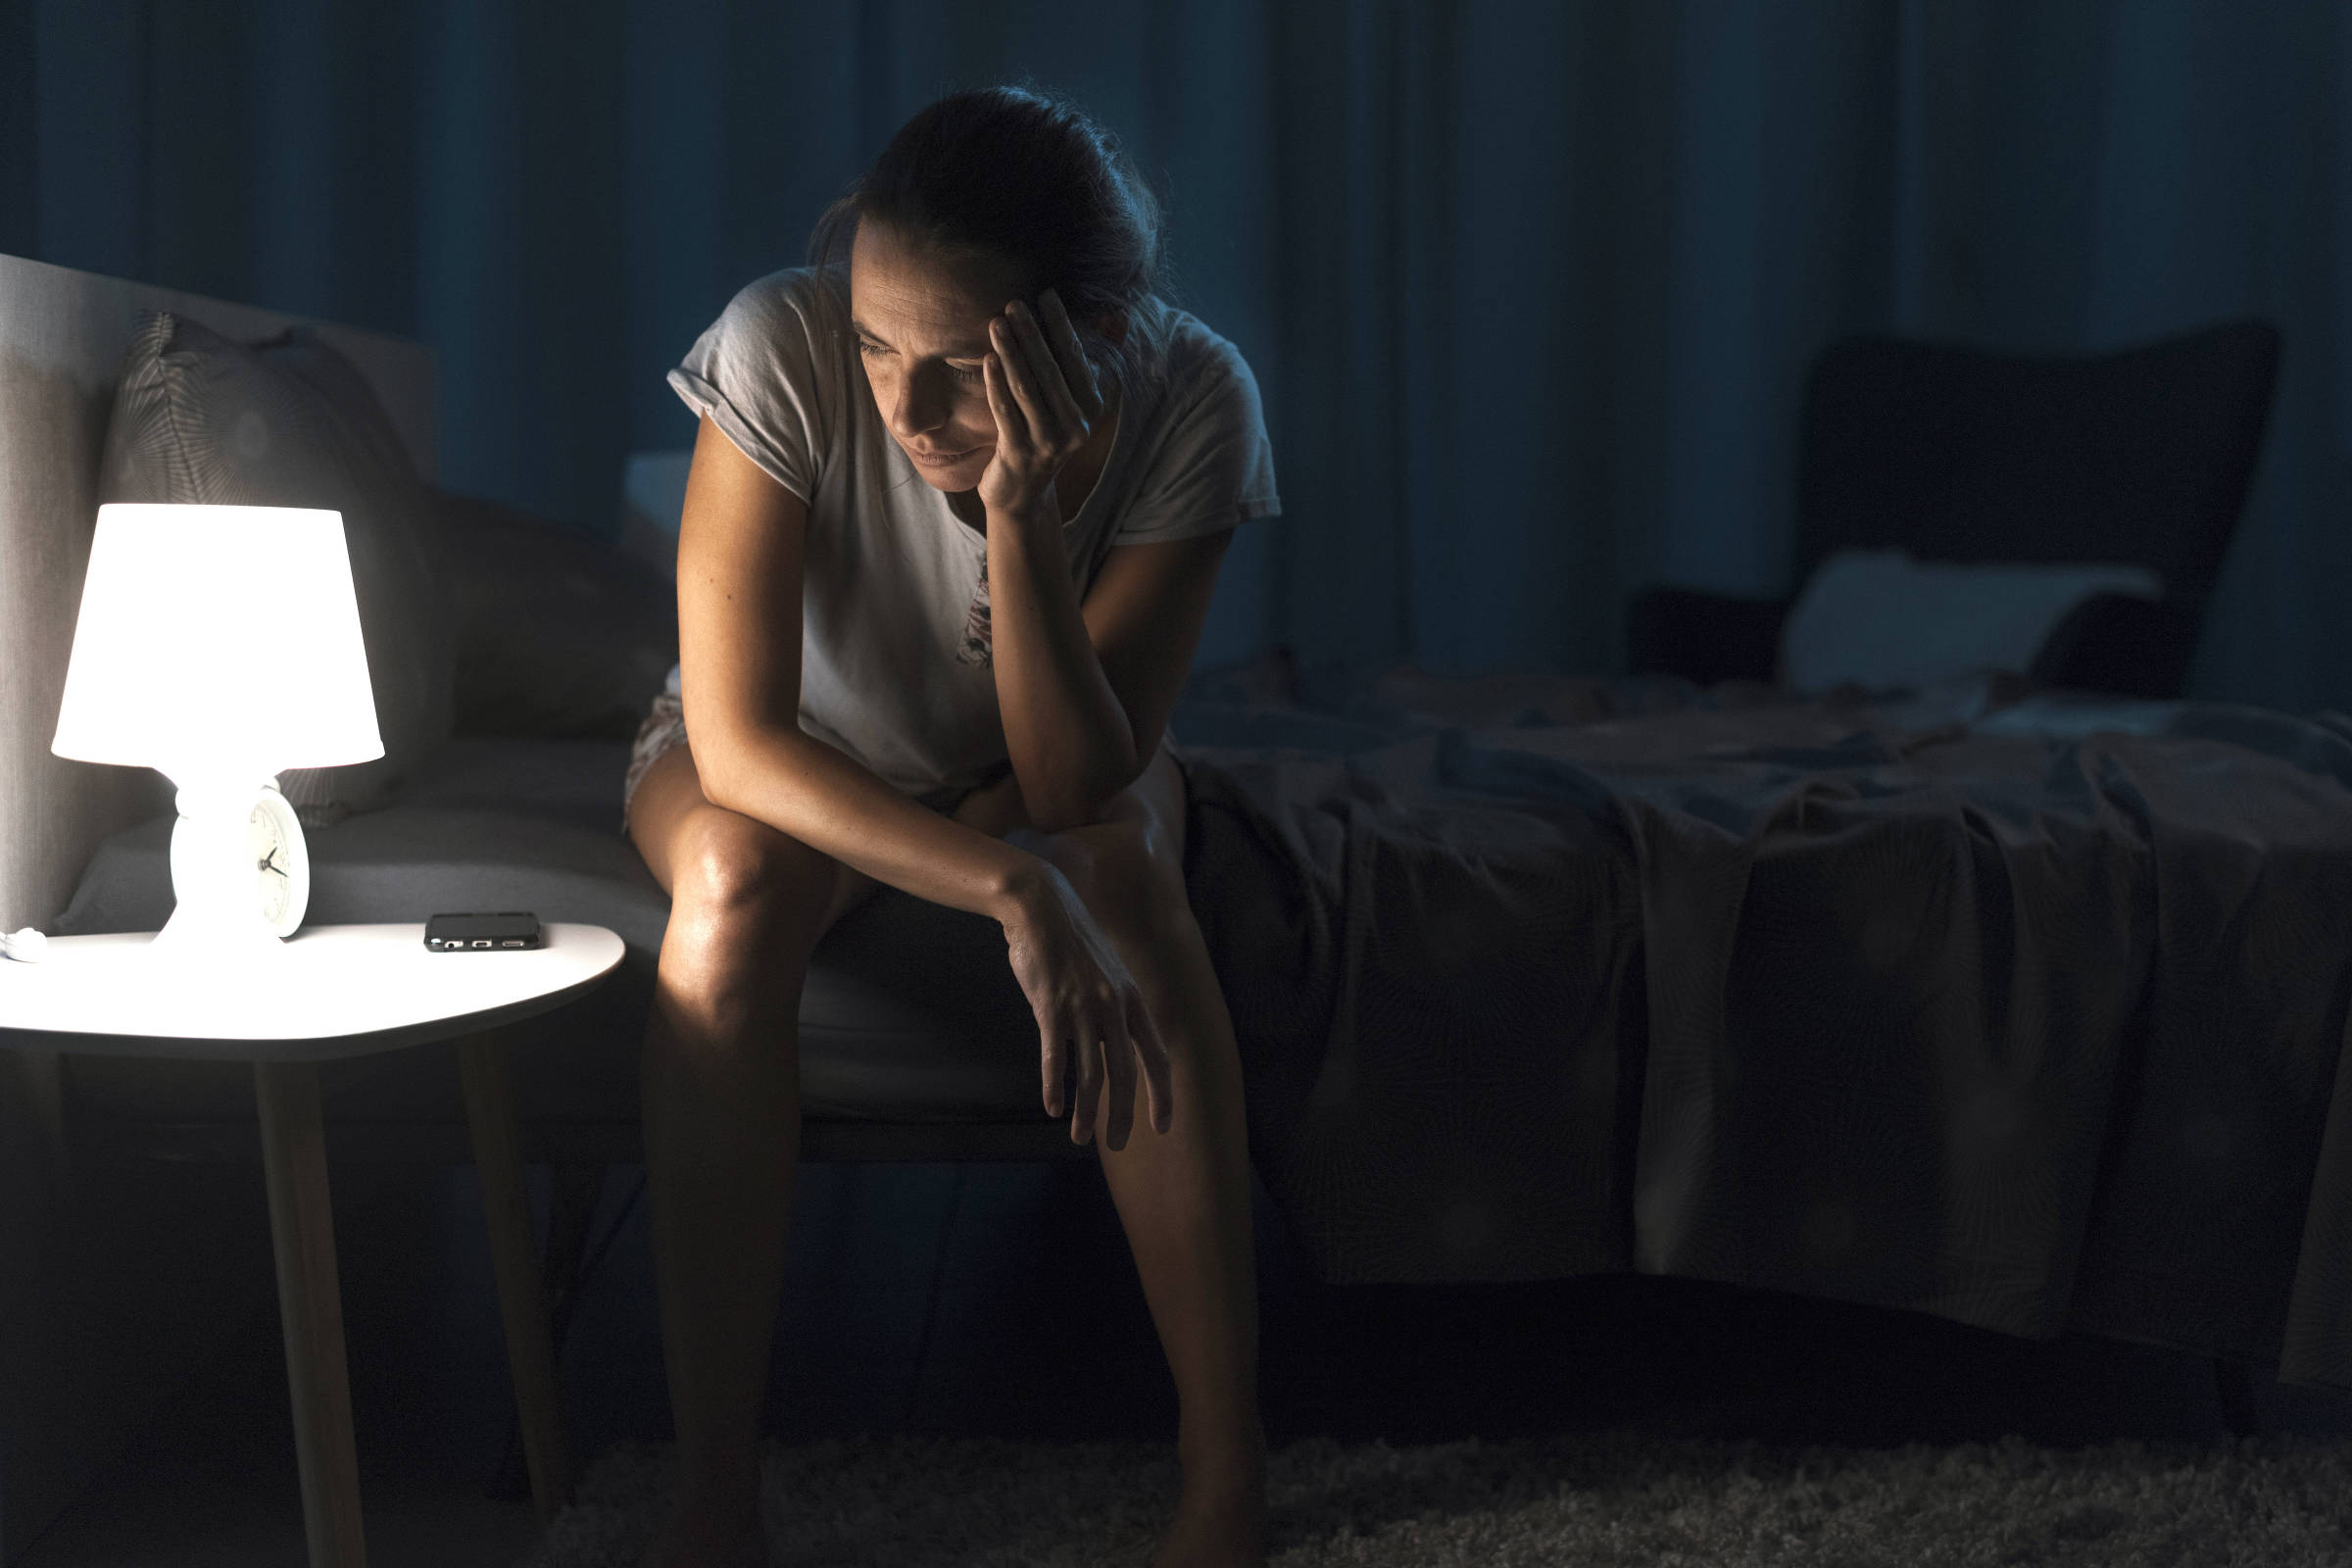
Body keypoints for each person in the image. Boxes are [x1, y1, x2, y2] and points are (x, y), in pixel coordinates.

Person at [620, 83, 1282, 1568]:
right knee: (724, 890)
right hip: (793, 759)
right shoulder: (776, 343)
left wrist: (1024, 514)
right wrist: (1007, 894)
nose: (905, 413)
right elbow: (737, 740)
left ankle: (1225, 1477)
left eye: (962, 373)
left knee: (1121, 870)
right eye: (874, 343)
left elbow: (1070, 787)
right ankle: (714, 1495)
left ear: (1086, 346)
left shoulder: (1191, 396)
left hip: (1033, 772)